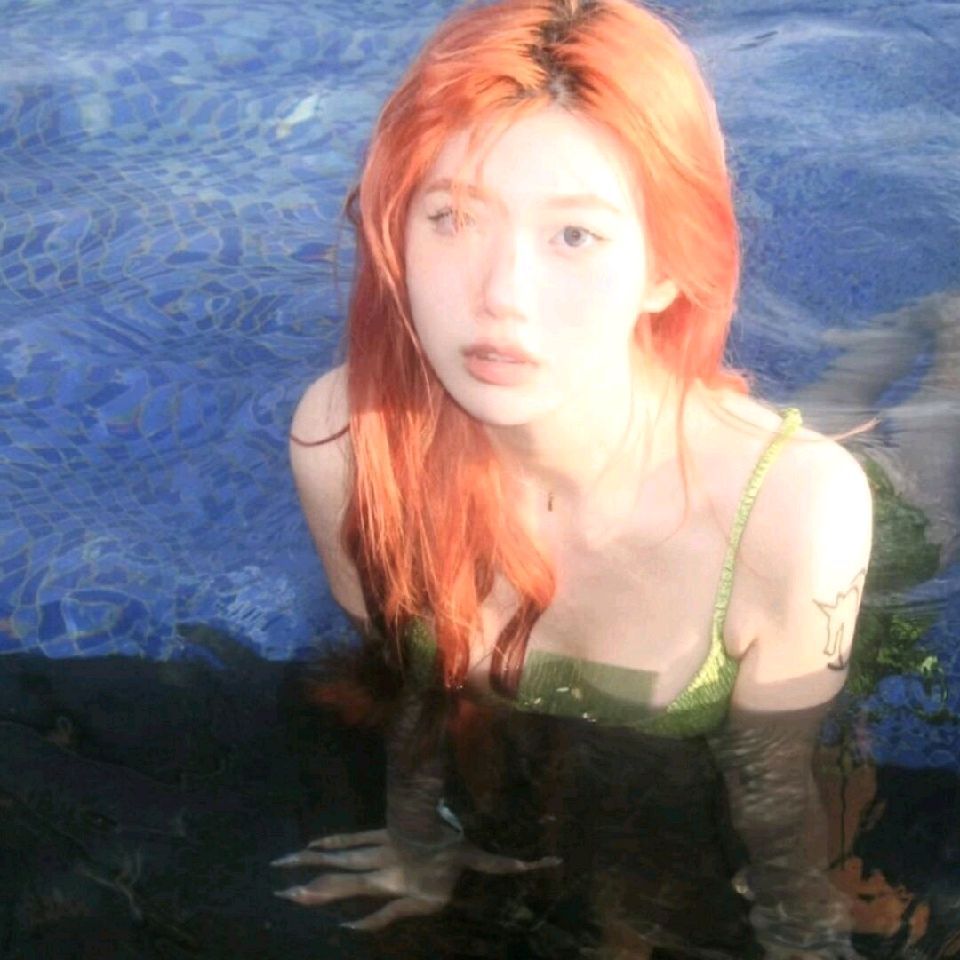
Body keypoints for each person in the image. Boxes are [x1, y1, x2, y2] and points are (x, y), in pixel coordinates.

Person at [276, 0, 873, 955]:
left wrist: (799, 928)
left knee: (918, 490)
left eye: (574, 236)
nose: (500, 296)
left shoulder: (797, 516)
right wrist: (417, 840)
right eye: (452, 217)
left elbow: (773, 780)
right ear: (396, 233)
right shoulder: (345, 442)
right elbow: (404, 680)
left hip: (779, 500)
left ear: (665, 267)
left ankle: (935, 337)